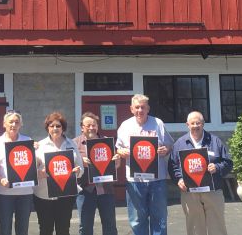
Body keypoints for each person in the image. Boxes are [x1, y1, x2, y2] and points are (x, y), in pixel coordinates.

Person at [116, 94, 174, 235]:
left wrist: (165, 150)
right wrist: (121, 151)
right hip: (135, 181)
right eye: (137, 107)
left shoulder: (158, 123)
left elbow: (170, 145)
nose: (140, 110)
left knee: (159, 219)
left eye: (143, 107)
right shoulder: (125, 126)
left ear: (148, 108)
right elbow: (118, 148)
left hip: (157, 180)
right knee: (137, 219)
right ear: (131, 109)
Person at [169, 111, 233, 235]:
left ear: (203, 124)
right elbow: (173, 166)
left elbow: (228, 163)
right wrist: (179, 179)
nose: (195, 126)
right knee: (194, 227)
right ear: (187, 124)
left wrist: (217, 167)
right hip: (190, 193)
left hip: (213, 191)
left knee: (217, 226)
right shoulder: (180, 143)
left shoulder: (215, 141)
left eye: (198, 123)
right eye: (192, 123)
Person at [34, 112, 84, 235]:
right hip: (43, 195)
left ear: (63, 128)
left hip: (65, 195)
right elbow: (30, 172)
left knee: (63, 229)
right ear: (48, 128)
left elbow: (81, 168)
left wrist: (77, 171)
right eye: (52, 126)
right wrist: (38, 174)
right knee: (45, 229)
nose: (55, 128)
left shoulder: (71, 144)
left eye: (58, 126)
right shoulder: (39, 146)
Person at [73, 112, 119, 235]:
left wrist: (117, 160)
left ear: (97, 126)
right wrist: (80, 162)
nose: (91, 128)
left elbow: (116, 165)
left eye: (94, 125)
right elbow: (70, 167)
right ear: (82, 127)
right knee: (85, 226)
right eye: (88, 125)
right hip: (85, 190)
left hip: (106, 189)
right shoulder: (74, 144)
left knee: (110, 225)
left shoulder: (107, 142)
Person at [0, 110, 34, 235]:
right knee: (4, 229)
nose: (14, 125)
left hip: (25, 193)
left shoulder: (28, 140)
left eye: (17, 122)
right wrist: (0, 180)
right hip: (4, 193)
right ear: (4, 124)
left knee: (23, 229)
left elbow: (34, 164)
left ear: (21, 124)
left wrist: (35, 151)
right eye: (11, 122)